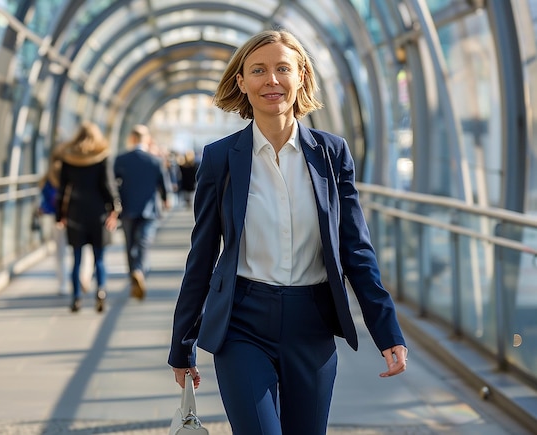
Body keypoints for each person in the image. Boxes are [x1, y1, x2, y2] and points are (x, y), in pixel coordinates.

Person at [167, 29, 408, 435]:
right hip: (241, 324)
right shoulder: (220, 158)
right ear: (241, 82)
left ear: (301, 77)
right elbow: (203, 254)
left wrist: (387, 330)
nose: (271, 81)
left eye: (283, 69)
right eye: (258, 70)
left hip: (311, 324)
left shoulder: (331, 154)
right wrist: (182, 343)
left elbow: (356, 250)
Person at [55, 121, 120, 313]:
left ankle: (76, 298)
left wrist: (60, 215)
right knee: (99, 259)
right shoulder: (102, 157)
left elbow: (62, 190)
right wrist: (114, 210)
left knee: (76, 260)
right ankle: (100, 292)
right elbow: (109, 185)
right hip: (98, 214)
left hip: (75, 214)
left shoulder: (69, 158)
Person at [113, 124, 171, 300]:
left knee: (130, 244)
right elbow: (163, 184)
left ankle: (133, 274)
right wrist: (166, 199)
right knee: (144, 242)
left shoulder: (121, 159)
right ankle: (139, 270)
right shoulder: (154, 160)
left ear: (131, 138)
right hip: (149, 209)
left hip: (127, 208)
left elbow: (113, 183)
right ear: (146, 139)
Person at [37, 146, 69, 295]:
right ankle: (83, 276)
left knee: (60, 252)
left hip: (55, 217)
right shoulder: (72, 172)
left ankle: (62, 283)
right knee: (80, 248)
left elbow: (45, 197)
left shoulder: (49, 175)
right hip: (72, 215)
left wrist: (43, 209)